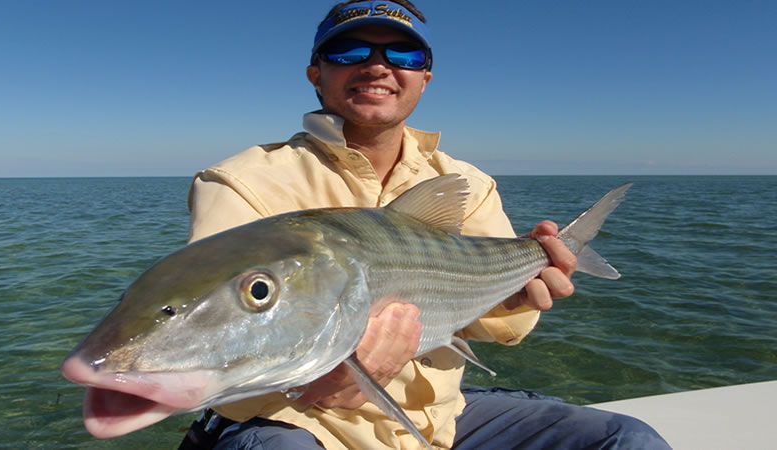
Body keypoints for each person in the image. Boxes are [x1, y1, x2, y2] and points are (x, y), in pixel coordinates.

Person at [179, 1, 670, 448]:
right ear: (316, 74)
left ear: (425, 78)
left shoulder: (466, 184)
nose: (377, 66)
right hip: (295, 421)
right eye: (349, 52)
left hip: (441, 422)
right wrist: (318, 380)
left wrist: (517, 292)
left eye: (405, 56)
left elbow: (496, 326)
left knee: (626, 438)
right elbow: (214, 336)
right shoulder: (242, 182)